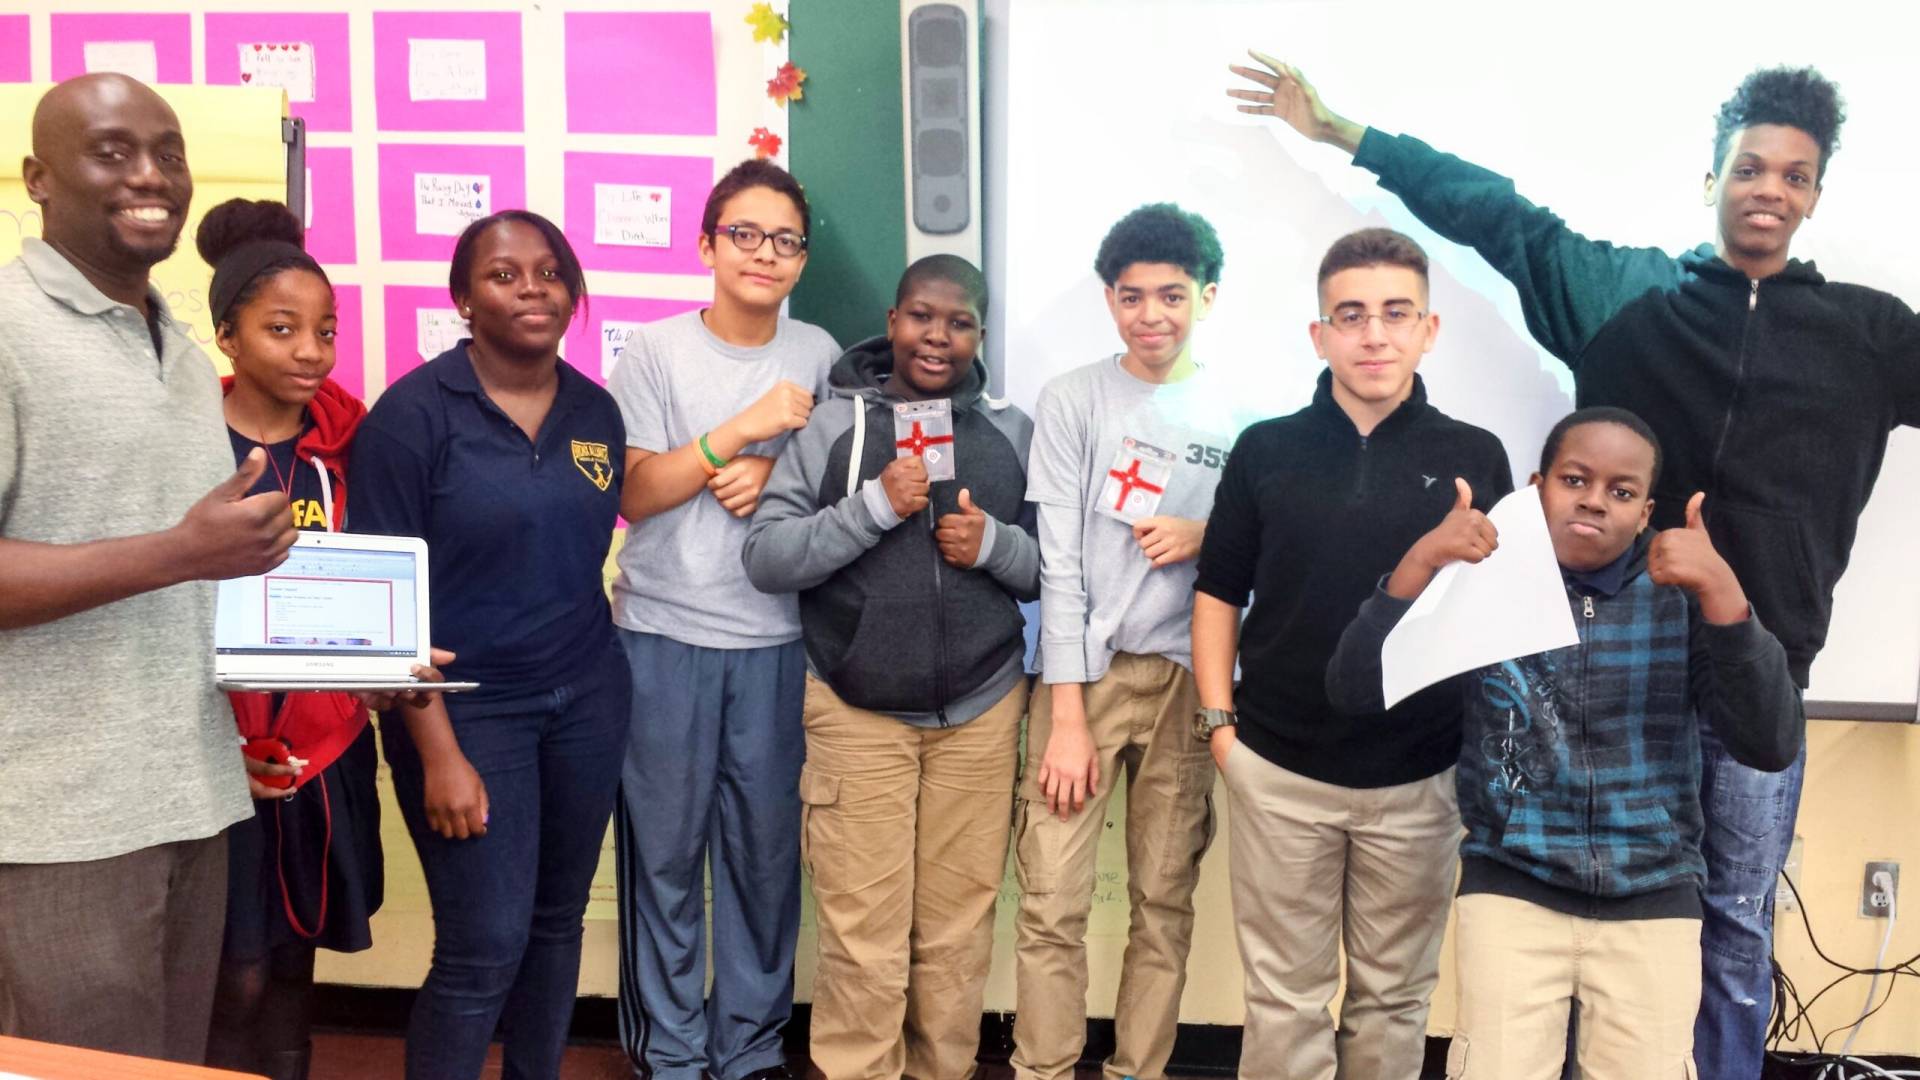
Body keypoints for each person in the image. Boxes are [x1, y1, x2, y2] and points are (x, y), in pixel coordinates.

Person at [1227, 57, 1920, 1075]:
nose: (1769, 189)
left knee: (1732, 935)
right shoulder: (1624, 295)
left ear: (1815, 193)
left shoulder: (1869, 332)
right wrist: (1347, 135)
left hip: (1753, 677)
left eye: (1794, 175)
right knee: (1563, 928)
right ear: (1712, 178)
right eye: (1750, 167)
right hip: (1612, 669)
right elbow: (1498, 217)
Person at [1327, 407, 1803, 1077]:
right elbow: (1353, 690)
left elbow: (1770, 743)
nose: (1594, 502)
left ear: (1645, 514)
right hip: (1513, 889)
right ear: (1536, 485)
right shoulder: (1480, 578)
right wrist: (1421, 561)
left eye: (1621, 491)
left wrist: (1724, 593)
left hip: (1654, 898)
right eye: (1575, 479)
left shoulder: (1682, 597)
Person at [0, 73, 295, 1062]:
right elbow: (172, 554)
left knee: (168, 1062)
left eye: (168, 151)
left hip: (192, 793)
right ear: (39, 177)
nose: (151, 176)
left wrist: (343, 661)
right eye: (113, 150)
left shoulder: (173, 339)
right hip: (54, 821)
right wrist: (183, 551)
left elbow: (188, 577)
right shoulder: (6, 326)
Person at [1190, 228, 1512, 1079]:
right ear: (1320, 334)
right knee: (1285, 1004)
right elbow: (1220, 591)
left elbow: (1497, 620)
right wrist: (1221, 728)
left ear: (1429, 330)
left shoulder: (1475, 456)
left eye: (1396, 314)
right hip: (1278, 770)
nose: (1375, 334)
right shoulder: (1266, 450)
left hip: (1418, 780)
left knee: (1393, 1003)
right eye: (1353, 315)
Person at [348, 209, 629, 1080]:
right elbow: (386, 615)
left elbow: (573, 561)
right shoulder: (410, 418)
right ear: (463, 298)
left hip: (585, 698)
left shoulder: (595, 411)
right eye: (505, 275)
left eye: (548, 271)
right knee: (483, 944)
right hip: (467, 716)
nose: (532, 288)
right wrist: (437, 753)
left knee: (555, 925)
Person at [742, 254, 1037, 1079]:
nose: (937, 337)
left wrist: (996, 547)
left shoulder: (1013, 431)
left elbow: (1058, 568)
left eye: (959, 321)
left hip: (980, 712)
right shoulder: (834, 426)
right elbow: (766, 557)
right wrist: (871, 508)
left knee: (954, 935)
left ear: (980, 332)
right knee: (864, 937)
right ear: (892, 318)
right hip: (857, 710)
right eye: (920, 316)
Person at [608, 158, 839, 1080]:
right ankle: (669, 1053)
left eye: (785, 241)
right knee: (662, 859)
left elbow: (842, 491)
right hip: (661, 637)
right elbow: (633, 492)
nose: (764, 255)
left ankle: (746, 1051)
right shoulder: (656, 354)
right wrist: (734, 437)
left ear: (802, 260)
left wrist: (779, 475)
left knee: (763, 862)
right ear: (707, 245)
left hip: (779, 644)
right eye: (744, 234)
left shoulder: (821, 356)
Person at [1011, 203, 1243, 1080]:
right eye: (1133, 296)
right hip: (1086, 680)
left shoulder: (1243, 412)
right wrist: (1067, 714)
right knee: (1051, 901)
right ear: (1110, 301)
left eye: (1173, 296)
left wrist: (1201, 535)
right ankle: (1043, 1068)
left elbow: (1263, 554)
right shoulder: (1074, 398)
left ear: (1207, 298)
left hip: (1189, 682)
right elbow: (1060, 564)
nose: (1152, 315)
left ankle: (1137, 1070)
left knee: (1163, 900)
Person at [195, 198, 382, 1080]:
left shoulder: (350, 450)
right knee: (230, 976)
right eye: (282, 329)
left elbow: (378, 588)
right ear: (227, 335)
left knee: (294, 975)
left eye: (325, 330)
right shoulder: (186, 443)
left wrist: (391, 665)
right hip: (208, 749)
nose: (311, 351)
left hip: (320, 743)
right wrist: (226, 746)